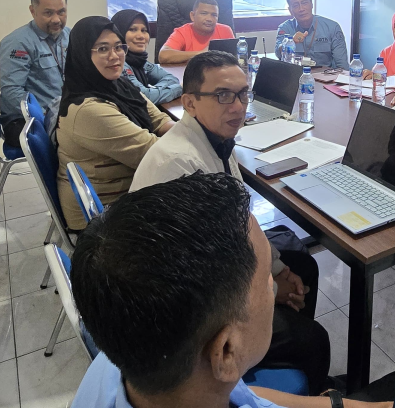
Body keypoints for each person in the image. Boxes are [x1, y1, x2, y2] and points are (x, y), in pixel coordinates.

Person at [69, 171, 395, 408]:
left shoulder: (125, 358)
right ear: (227, 350)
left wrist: (338, 403)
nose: (274, 287)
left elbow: (244, 395)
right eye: (265, 283)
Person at [131, 52, 331, 393]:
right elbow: (206, 268)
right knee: (314, 340)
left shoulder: (215, 140)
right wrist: (270, 290)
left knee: (301, 264)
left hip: (211, 267)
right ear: (190, 102)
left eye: (243, 94)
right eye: (223, 95)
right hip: (186, 313)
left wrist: (277, 270)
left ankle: (278, 351)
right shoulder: (180, 163)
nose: (238, 107)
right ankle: (287, 369)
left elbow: (240, 221)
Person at [55, 16, 172, 230]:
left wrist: (195, 134)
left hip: (127, 192)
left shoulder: (117, 84)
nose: (114, 56)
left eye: (118, 47)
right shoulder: (88, 109)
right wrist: (202, 139)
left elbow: (159, 120)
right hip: (105, 218)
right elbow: (153, 155)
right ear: (82, 54)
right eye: (102, 49)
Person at [0, 0, 69, 148]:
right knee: (82, 139)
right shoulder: (18, 43)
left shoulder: (69, 36)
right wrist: (47, 116)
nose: (56, 19)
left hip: (61, 113)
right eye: (48, 13)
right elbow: (11, 91)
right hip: (26, 121)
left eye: (61, 12)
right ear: (33, 11)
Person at [111, 9, 182, 105]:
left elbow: (171, 79)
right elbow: (145, 98)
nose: (141, 36)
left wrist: (156, 92)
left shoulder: (139, 61)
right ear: (119, 33)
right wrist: (179, 88)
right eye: (133, 29)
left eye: (144, 30)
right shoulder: (117, 63)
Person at [274, 0, 350, 70]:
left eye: (304, 3)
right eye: (296, 5)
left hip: (325, 75)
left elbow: (342, 66)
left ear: (311, 4)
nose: (301, 9)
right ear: (290, 10)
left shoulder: (332, 27)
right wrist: (291, 42)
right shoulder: (285, 28)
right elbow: (278, 53)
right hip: (295, 75)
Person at [159, 0, 235, 64]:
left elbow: (235, 58)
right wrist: (202, 54)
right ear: (192, 16)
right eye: (204, 13)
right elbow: (163, 56)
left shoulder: (225, 30)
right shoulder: (182, 32)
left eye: (214, 15)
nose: (209, 19)